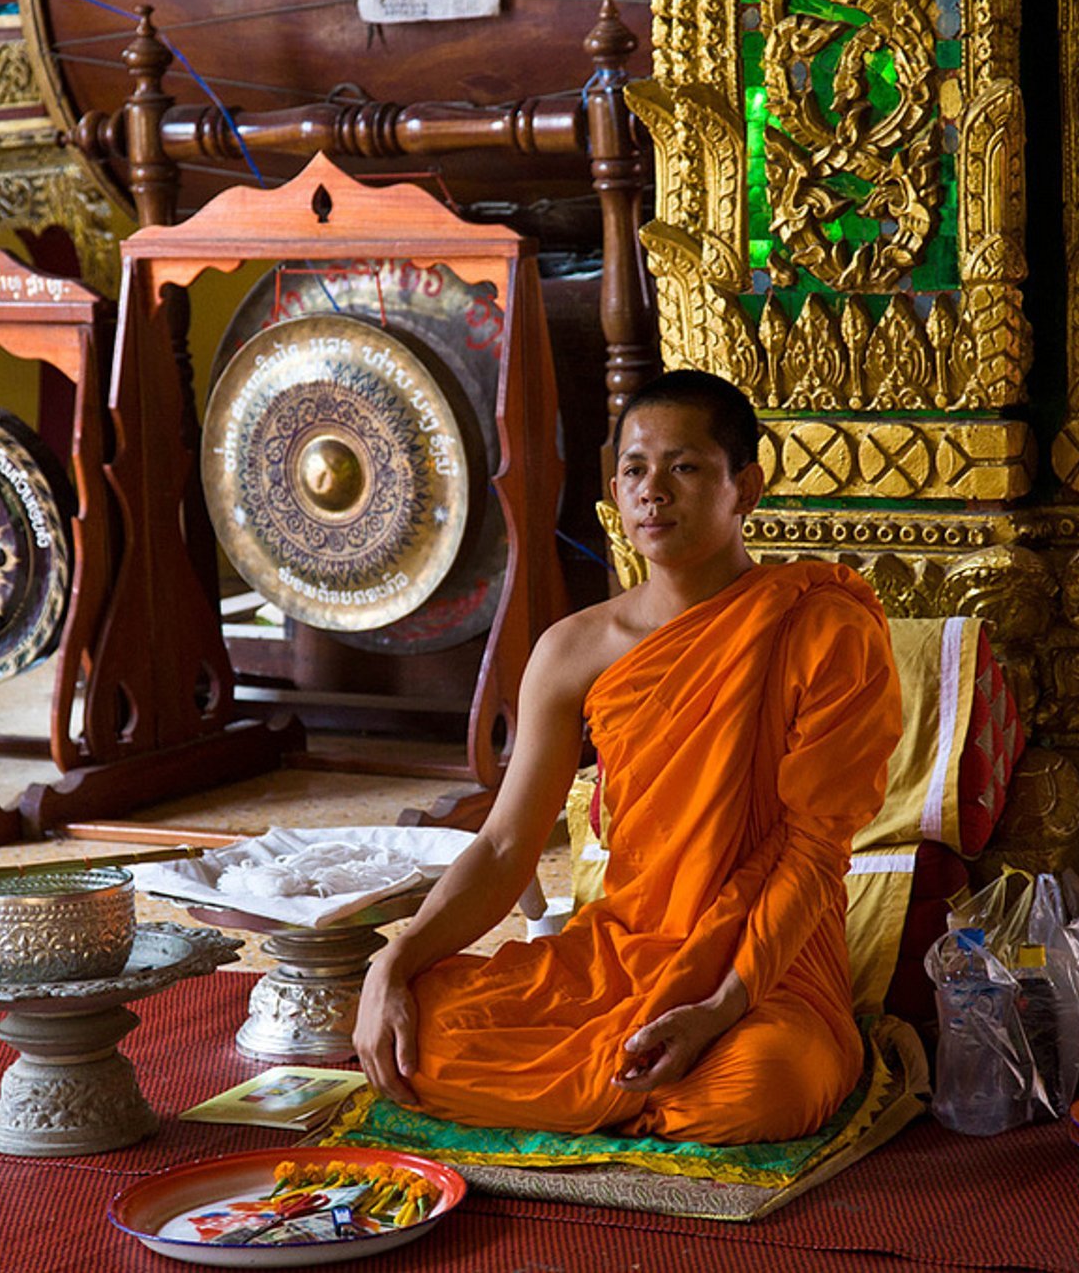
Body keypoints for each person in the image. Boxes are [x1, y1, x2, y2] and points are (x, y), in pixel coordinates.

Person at [354, 369, 902, 1145]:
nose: (655, 492)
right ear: (615, 489)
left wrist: (719, 1008)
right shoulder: (574, 649)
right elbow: (507, 845)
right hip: (619, 953)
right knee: (421, 1030)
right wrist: (396, 961)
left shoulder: (823, 629)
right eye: (637, 470)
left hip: (763, 967)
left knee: (763, 1086)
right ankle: (627, 1088)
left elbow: (815, 849)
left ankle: (605, 1088)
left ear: (744, 486)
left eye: (685, 468)